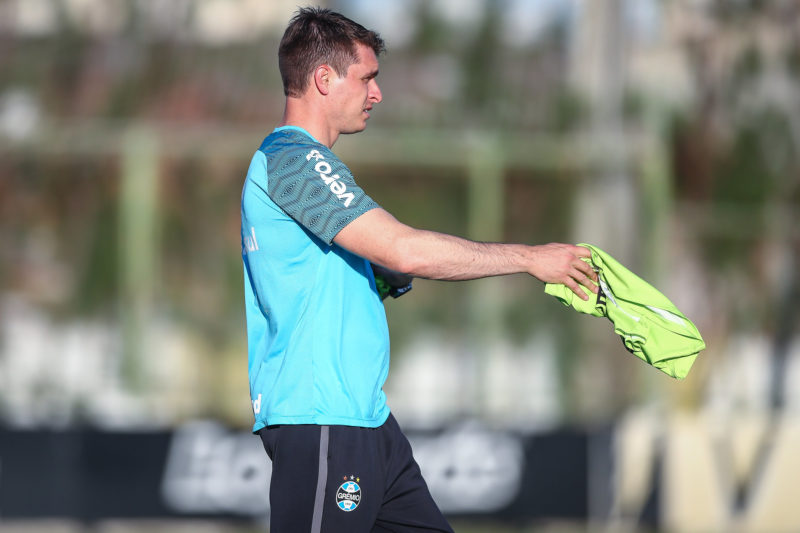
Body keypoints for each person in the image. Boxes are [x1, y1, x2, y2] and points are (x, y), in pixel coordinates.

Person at [240, 7, 598, 532]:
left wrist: (377, 276)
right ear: (323, 79)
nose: (377, 93)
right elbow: (405, 251)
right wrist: (529, 258)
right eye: (367, 77)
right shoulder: (294, 162)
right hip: (322, 422)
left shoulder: (313, 167)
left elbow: (371, 268)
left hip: (367, 422)